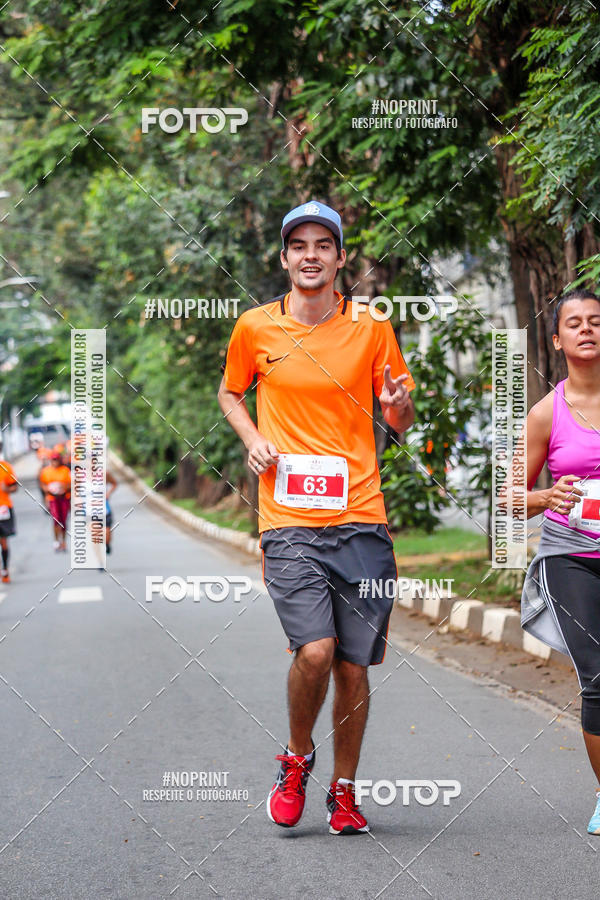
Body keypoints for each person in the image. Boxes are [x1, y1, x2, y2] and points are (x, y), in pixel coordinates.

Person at [218, 200, 415, 835]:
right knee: (316, 650)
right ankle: (298, 757)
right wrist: (251, 436)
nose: (310, 254)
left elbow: (398, 420)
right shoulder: (255, 328)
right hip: (288, 519)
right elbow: (229, 391)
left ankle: (345, 792)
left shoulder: (372, 327)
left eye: (322, 245)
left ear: (339, 258)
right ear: (283, 258)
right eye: (298, 245)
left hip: (361, 516)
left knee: (354, 665)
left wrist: (397, 406)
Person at [521, 288, 600, 835]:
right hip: (569, 556)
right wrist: (546, 497)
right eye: (574, 323)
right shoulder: (547, 411)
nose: (587, 329)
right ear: (557, 340)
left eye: (596, 321)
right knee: (598, 677)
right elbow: (509, 496)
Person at [39, 450, 71, 552]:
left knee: (64, 521)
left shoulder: (65, 470)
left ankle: (63, 542)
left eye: (57, 460)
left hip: (64, 498)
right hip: (52, 499)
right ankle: (56, 541)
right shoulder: (46, 471)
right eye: (53, 460)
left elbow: (71, 484)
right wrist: (48, 490)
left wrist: (63, 488)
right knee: (56, 519)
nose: (55, 462)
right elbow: (43, 484)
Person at [0, 439, 18, 583]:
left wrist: (7, 489)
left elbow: (14, 487)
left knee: (4, 542)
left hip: (3, 508)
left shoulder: (6, 467)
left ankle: (5, 569)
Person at [105, 470, 117, 554]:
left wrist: (108, 493)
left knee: (107, 533)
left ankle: (107, 545)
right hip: (89, 511)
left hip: (104, 509)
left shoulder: (105, 473)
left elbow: (114, 483)